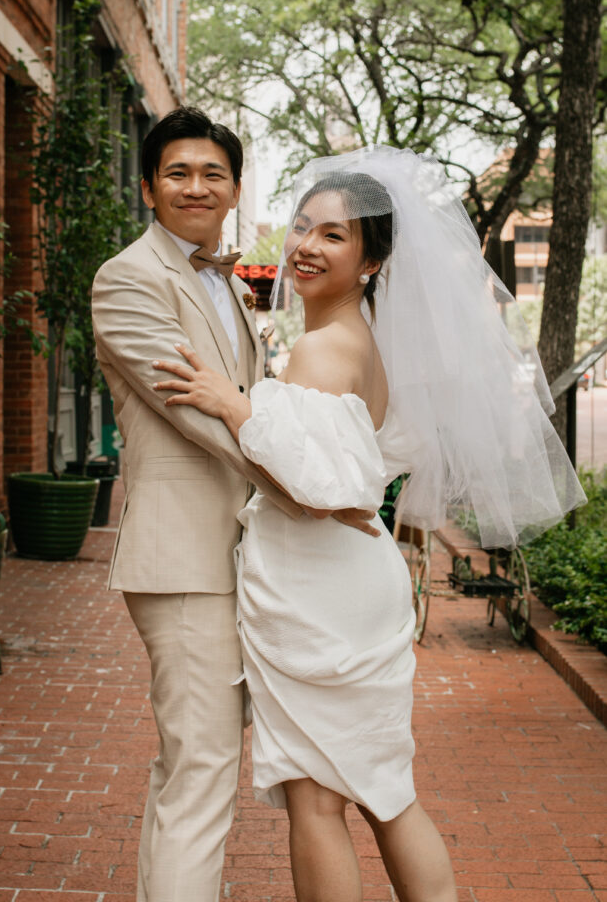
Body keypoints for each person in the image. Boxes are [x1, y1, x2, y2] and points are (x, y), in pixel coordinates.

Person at [151, 145, 585, 902]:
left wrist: (234, 404)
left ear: (372, 262)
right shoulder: (362, 341)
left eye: (334, 236)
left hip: (316, 592)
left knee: (317, 798)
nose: (305, 247)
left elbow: (331, 491)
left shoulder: (324, 350)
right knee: (384, 789)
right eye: (301, 227)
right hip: (347, 584)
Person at [91, 107, 379, 902]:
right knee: (202, 769)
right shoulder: (129, 279)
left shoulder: (219, 278)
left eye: (212, 173)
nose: (195, 185)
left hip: (248, 557)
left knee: (202, 766)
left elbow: (255, 403)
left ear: (233, 188)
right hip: (185, 559)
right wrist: (308, 490)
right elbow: (197, 415)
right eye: (177, 172)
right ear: (149, 187)